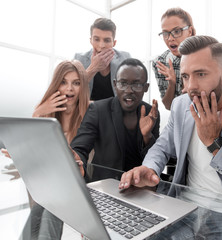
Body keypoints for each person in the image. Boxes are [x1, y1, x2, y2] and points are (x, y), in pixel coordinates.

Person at [120, 35, 222, 239]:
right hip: (185, 205)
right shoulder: (181, 105)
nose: (190, 87)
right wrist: (149, 167)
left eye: (201, 74)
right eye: (185, 76)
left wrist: (215, 144)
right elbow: (162, 146)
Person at [13, 60, 89, 239]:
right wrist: (37, 113)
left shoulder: (91, 114)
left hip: (78, 186)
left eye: (76, 83)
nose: (69, 89)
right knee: (44, 208)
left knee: (49, 207)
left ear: (82, 86)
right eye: (63, 82)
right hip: (47, 187)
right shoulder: (45, 114)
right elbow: (32, 154)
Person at [71, 58, 160, 182]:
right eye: (123, 83)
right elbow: (80, 148)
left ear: (146, 87)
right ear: (114, 84)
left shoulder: (151, 113)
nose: (129, 90)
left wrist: (147, 136)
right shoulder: (98, 109)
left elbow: (155, 159)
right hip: (104, 186)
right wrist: (77, 162)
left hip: (139, 188)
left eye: (136, 84)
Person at [74, 17, 131, 101]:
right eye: (96, 39)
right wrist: (93, 68)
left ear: (113, 43)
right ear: (91, 40)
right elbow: (71, 91)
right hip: (87, 111)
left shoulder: (125, 59)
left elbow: (131, 92)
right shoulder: (78, 59)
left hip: (116, 111)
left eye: (107, 40)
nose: (101, 45)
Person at [152, 7, 196, 110]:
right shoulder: (161, 62)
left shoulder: (204, 55)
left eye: (176, 31)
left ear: (189, 31)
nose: (170, 38)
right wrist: (172, 83)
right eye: (165, 33)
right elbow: (168, 106)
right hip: (179, 118)